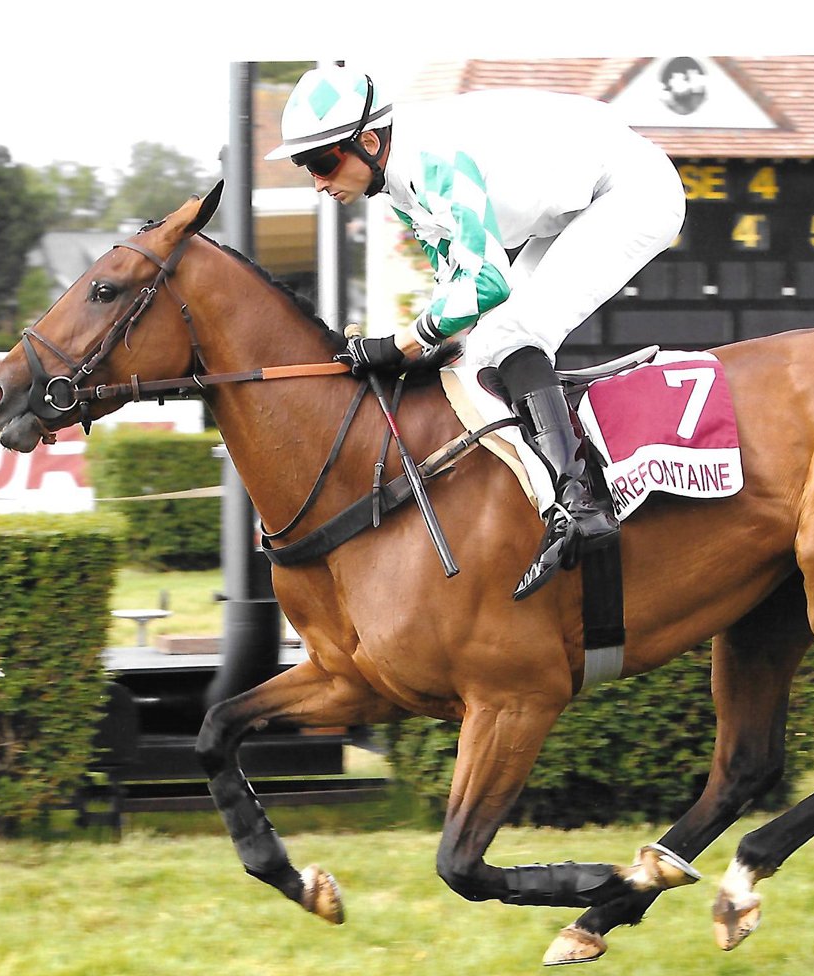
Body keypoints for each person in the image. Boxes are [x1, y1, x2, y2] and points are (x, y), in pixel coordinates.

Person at [267, 65, 685, 600]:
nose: (318, 182)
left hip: (632, 191)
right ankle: (551, 496)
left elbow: (488, 282)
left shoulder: (432, 159)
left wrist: (400, 343)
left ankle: (581, 506)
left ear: (368, 143)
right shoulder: (400, 189)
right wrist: (421, 346)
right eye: (306, 166)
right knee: (483, 347)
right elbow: (455, 291)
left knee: (512, 332)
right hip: (579, 204)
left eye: (322, 162)